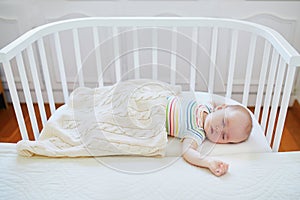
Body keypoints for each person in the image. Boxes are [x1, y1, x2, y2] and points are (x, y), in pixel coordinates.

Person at [166, 96, 252, 177]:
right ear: (220, 108)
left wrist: (209, 162)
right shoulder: (207, 106)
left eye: (223, 136)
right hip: (161, 98)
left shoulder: (197, 133)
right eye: (223, 122)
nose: (218, 130)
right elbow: (214, 99)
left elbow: (188, 151)